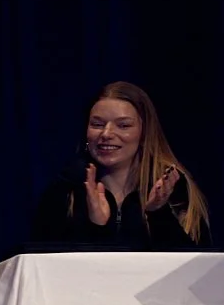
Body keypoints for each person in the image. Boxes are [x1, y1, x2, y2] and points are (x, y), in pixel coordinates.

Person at [30, 81, 209, 247]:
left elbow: (196, 271)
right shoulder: (65, 191)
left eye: (123, 125)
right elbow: (45, 271)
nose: (106, 133)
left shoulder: (173, 187)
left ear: (145, 132)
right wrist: (96, 227)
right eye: (97, 124)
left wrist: (158, 214)